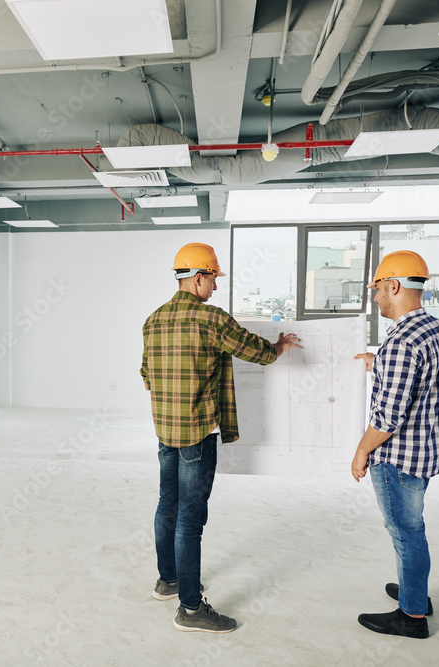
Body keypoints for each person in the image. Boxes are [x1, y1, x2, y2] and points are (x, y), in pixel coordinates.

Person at [140, 242, 303, 633]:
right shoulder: (211, 318)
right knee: (190, 520)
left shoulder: (153, 320)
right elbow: (257, 352)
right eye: (213, 278)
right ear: (198, 277)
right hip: (197, 432)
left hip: (165, 430)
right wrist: (279, 346)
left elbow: (146, 374)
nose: (215, 286)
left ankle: (169, 581)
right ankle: (192, 609)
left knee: (168, 504)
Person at [351, 250, 439, 640]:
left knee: (405, 531)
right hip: (426, 452)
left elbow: (387, 419)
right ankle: (417, 592)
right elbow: (422, 377)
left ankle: (411, 617)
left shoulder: (399, 343)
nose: (376, 297)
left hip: (396, 458)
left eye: (377, 289)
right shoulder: (438, 330)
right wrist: (375, 361)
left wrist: (362, 451)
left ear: (394, 285)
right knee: (413, 527)